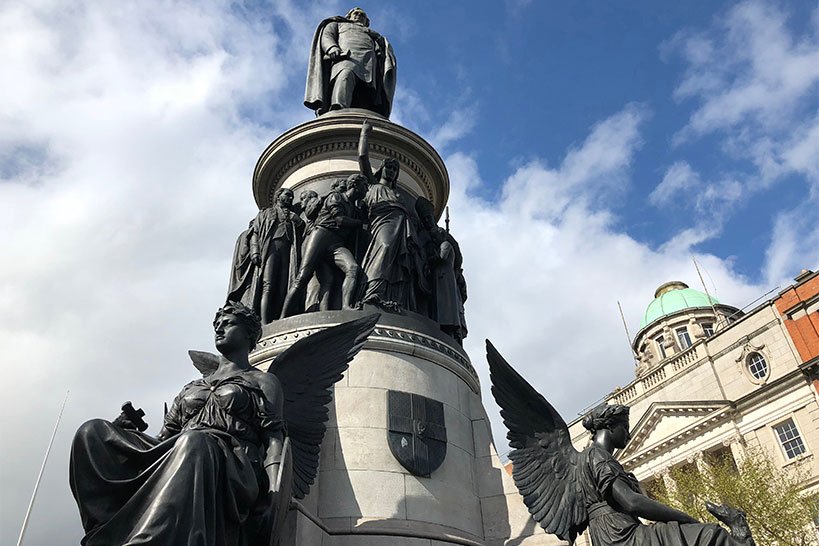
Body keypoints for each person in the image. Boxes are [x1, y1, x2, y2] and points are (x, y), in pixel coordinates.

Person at [487, 343, 756, 546]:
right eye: (624, 429)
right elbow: (632, 503)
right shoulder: (598, 458)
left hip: (608, 534)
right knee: (710, 534)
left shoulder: (583, 460)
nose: (627, 436)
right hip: (623, 534)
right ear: (612, 427)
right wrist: (687, 519)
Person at [70, 302, 283, 546]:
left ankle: (147, 540)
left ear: (249, 333)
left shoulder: (263, 381)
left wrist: (273, 494)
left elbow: (274, 439)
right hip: (185, 452)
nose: (219, 329)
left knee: (195, 441)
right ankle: (106, 531)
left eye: (228, 324)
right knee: (92, 432)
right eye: (217, 325)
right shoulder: (192, 387)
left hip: (233, 465)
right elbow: (163, 439)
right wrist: (123, 431)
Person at [280, 174, 367, 317]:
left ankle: (345, 306)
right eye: (364, 186)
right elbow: (339, 220)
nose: (366, 190)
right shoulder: (336, 197)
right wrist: (360, 223)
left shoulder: (354, 208)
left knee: (352, 268)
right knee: (302, 277)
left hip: (337, 243)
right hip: (321, 236)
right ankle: (282, 317)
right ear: (355, 185)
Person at [357, 120, 415, 311]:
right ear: (381, 169)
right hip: (382, 223)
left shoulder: (397, 194)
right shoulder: (373, 185)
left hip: (400, 224)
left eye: (394, 169)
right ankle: (371, 291)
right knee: (384, 248)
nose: (390, 171)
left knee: (397, 260)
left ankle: (390, 297)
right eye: (388, 167)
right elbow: (363, 157)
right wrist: (365, 133)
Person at [304, 7, 397, 117]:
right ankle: (338, 107)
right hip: (346, 58)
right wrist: (332, 48)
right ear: (349, 16)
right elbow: (327, 35)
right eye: (356, 13)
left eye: (362, 15)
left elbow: (383, 49)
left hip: (369, 63)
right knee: (345, 75)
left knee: (367, 91)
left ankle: (366, 113)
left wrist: (377, 38)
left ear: (367, 22)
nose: (358, 16)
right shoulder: (338, 24)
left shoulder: (372, 35)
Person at [415, 198, 468, 344]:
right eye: (424, 219)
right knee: (439, 305)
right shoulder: (425, 235)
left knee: (445, 306)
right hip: (438, 278)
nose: (427, 221)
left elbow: (444, 257)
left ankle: (448, 329)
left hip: (445, 279)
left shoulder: (446, 242)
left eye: (429, 218)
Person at [250, 187, 304, 323]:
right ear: (278, 196)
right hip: (271, 248)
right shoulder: (266, 213)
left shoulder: (292, 215)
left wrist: (297, 220)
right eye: (287, 195)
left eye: (292, 196)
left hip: (288, 251)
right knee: (268, 285)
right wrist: (255, 250)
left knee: (283, 286)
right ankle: (264, 321)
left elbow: (303, 229)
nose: (291, 198)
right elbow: (255, 233)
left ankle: (279, 318)